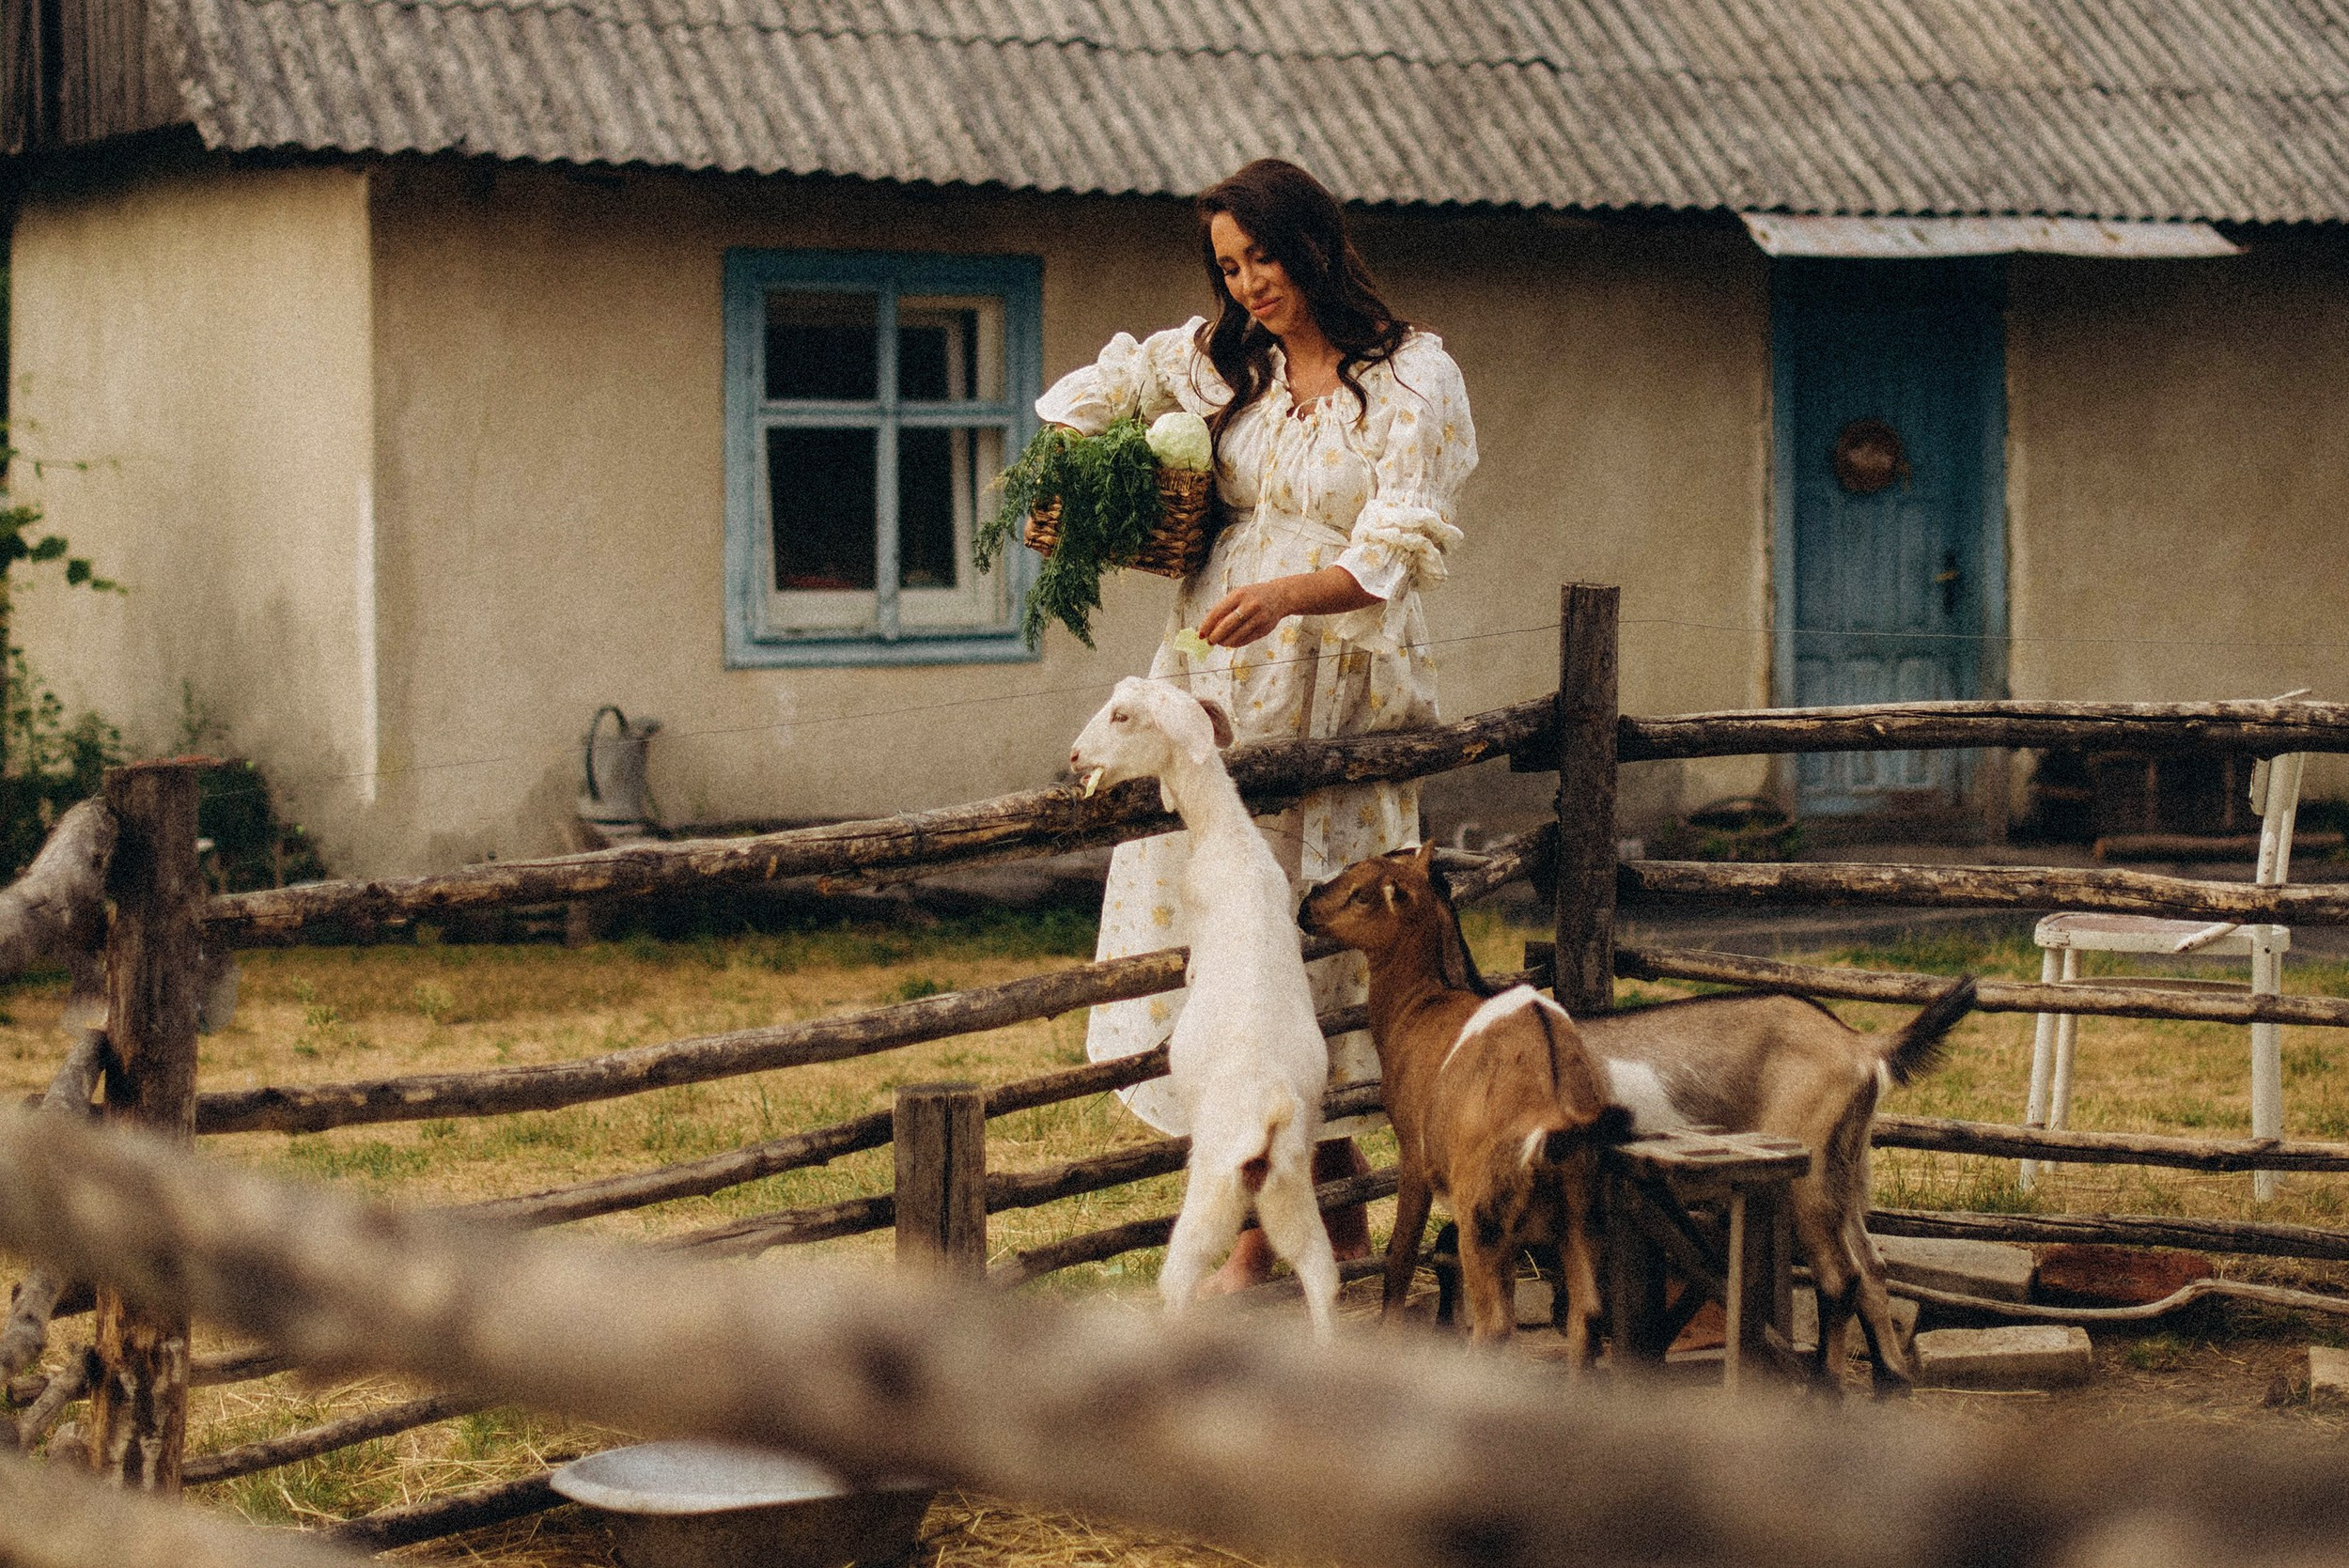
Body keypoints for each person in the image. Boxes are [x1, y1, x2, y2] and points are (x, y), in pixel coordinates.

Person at [1033, 158, 1478, 1293]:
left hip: (1337, 677)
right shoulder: (1231, 362)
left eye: (1262, 259)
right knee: (1231, 930)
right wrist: (1087, 478)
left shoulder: (1409, 374)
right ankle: (1299, 1221)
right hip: (1219, 667)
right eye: (1229, 268)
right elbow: (1098, 402)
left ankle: (1268, 1227)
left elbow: (1399, 542)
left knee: (1311, 936)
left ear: (1313, 244)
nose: (1248, 285)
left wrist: (1292, 591)